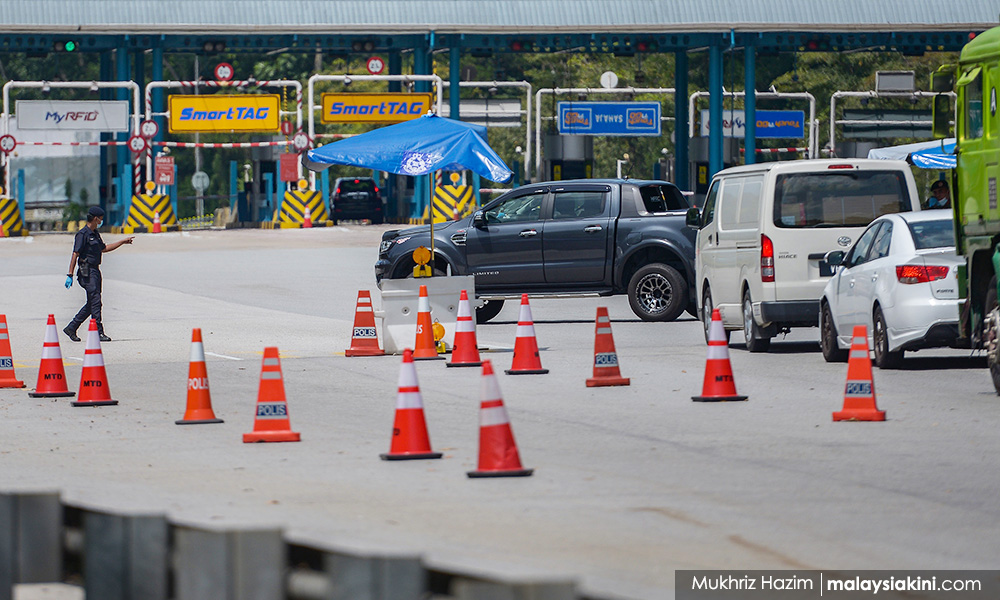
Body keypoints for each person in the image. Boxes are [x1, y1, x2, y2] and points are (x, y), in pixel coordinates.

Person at [63, 206, 134, 342]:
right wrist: (70, 274)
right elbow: (75, 254)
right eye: (101, 218)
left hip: (95, 271)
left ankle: (71, 327)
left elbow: (104, 248)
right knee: (96, 301)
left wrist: (122, 242)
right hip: (86, 272)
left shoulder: (95, 234)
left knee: (92, 303)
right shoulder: (82, 234)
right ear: (96, 218)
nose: (101, 221)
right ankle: (98, 332)